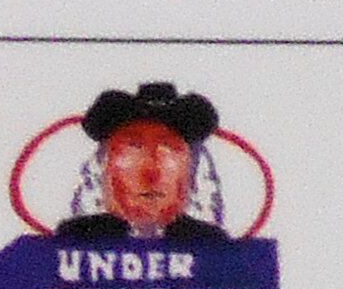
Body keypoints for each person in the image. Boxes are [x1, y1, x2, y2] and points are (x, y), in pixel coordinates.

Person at [54, 81, 231, 244]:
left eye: (169, 150)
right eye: (133, 148)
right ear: (104, 166)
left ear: (191, 169)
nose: (151, 173)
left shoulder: (212, 247)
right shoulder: (73, 242)